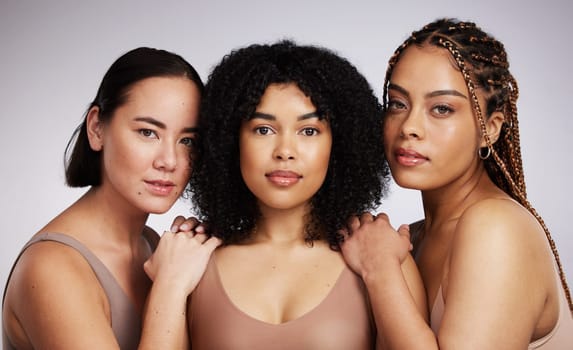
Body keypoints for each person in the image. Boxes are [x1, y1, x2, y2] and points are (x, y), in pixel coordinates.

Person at [340, 18, 573, 349]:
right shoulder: (414, 238)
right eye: (397, 103)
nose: (409, 127)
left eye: (441, 108)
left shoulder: (496, 227)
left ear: (489, 128)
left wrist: (380, 271)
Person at [182, 40, 426, 349]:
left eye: (309, 131)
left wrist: (383, 270)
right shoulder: (192, 264)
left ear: (338, 144)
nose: (285, 151)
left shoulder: (382, 260)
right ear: (231, 141)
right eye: (263, 129)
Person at [2, 47, 221, 349]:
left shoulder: (152, 246)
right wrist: (171, 286)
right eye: (147, 132)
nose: (170, 160)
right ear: (96, 128)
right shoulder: (52, 268)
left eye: (187, 141)